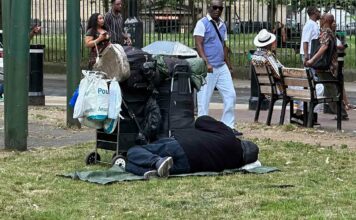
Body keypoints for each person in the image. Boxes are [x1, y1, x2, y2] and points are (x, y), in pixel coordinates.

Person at [125, 116, 259, 178]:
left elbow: (201, 120)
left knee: (133, 151)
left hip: (182, 145)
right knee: (127, 164)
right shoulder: (235, 164)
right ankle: (149, 171)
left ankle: (157, 161)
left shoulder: (228, 135)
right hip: (189, 166)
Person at [193, 0, 242, 136]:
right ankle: (201, 128)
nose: (217, 10)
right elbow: (199, 45)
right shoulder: (202, 23)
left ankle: (228, 126)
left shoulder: (222, 25)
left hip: (221, 66)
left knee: (230, 95)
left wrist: (229, 64)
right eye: (215, 7)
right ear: (209, 8)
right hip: (207, 67)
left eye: (220, 8)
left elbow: (224, 45)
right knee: (204, 99)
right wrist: (206, 62)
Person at [305, 13, 349, 120]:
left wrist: (312, 60)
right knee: (330, 89)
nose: (319, 21)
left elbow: (324, 47)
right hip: (332, 66)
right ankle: (340, 112)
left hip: (325, 67)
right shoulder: (331, 32)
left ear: (325, 20)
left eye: (321, 19)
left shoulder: (325, 32)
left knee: (331, 91)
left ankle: (342, 114)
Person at [298, 6, 324, 116]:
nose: (320, 13)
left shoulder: (314, 24)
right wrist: (306, 56)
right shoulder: (310, 24)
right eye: (318, 11)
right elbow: (305, 41)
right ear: (314, 13)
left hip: (310, 55)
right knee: (313, 82)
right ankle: (305, 109)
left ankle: (304, 108)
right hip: (308, 55)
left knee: (312, 82)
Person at [332, 21, 355, 111]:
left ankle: (346, 103)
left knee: (340, 84)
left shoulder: (334, 36)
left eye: (335, 23)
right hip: (333, 64)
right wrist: (340, 47)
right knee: (338, 84)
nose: (335, 25)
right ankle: (344, 105)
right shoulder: (329, 35)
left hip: (337, 63)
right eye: (332, 23)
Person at [251, 29, 283, 93]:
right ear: (270, 43)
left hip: (264, 89)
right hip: (276, 88)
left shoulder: (254, 56)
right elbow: (279, 75)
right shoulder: (268, 56)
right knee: (300, 88)